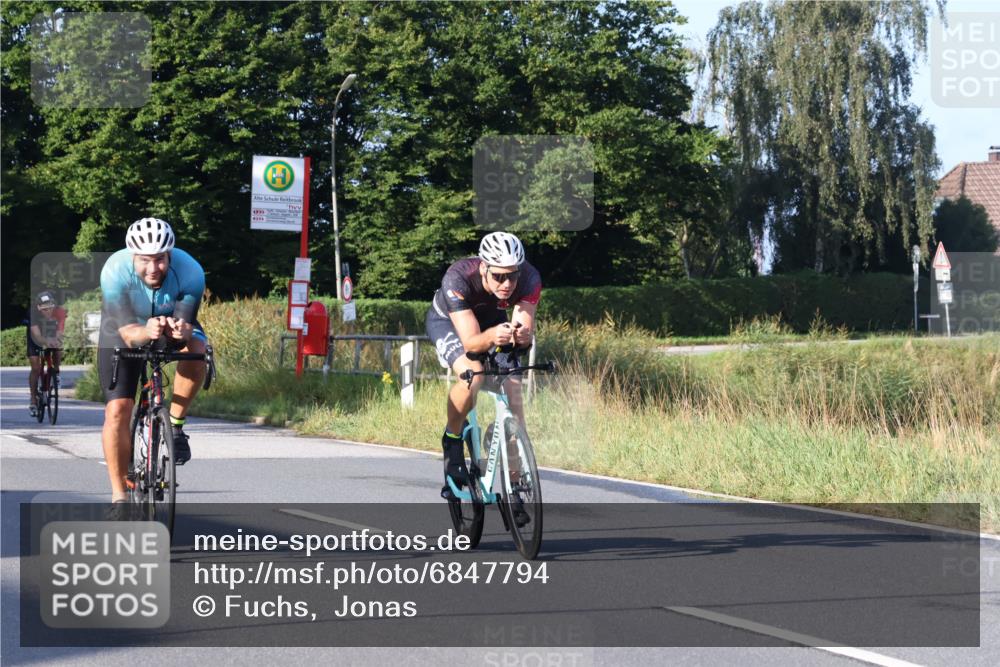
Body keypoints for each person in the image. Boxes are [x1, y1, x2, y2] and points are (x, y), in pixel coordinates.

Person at [98, 217, 207, 507]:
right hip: (123, 327)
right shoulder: (114, 271)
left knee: (197, 349)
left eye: (160, 259)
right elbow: (128, 334)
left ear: (170, 255)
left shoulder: (191, 271)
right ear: (133, 256)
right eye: (145, 260)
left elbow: (186, 324)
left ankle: (176, 425)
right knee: (117, 411)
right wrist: (146, 331)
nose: (153, 268)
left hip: (168, 320)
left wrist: (180, 333)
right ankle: (119, 497)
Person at [425, 231, 542, 489]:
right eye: (498, 276)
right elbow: (471, 343)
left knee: (514, 391)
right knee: (473, 375)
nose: (507, 283)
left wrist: (522, 337)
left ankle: (516, 483)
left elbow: (523, 334)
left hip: (492, 323)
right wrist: (491, 336)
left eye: (512, 275)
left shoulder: (530, 278)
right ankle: (452, 439)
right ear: (483, 268)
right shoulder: (458, 277)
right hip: (449, 323)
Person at [27, 291, 66, 417]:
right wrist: (46, 342)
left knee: (58, 347)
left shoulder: (59, 312)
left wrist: (56, 341)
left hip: (51, 332)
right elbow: (37, 335)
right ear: (38, 307)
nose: (47, 311)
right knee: (36, 368)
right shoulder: (33, 313)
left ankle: (56, 372)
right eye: (44, 309)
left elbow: (60, 331)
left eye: (50, 308)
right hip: (35, 337)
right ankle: (33, 399)